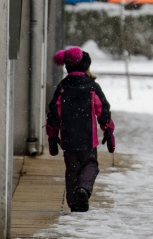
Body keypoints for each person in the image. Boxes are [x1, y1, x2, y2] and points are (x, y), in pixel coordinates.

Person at [46, 47, 115, 213]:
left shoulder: (62, 88)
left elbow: (54, 113)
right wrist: (108, 129)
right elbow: (102, 110)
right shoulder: (92, 87)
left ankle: (73, 202)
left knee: (72, 170)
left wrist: (52, 135)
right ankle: (83, 189)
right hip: (87, 138)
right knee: (90, 165)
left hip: (68, 139)